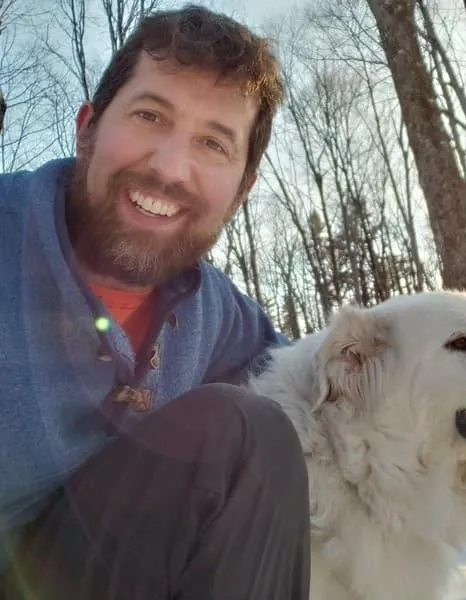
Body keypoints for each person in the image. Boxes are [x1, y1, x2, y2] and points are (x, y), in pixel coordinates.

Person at [0, 5, 309, 599]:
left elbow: (320, 383)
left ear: (242, 189)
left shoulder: (213, 311)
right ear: (87, 125)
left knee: (248, 431)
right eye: (149, 115)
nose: (169, 167)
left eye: (213, 144)